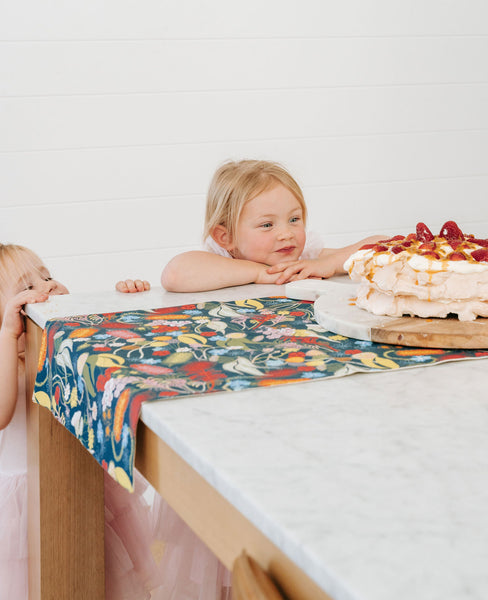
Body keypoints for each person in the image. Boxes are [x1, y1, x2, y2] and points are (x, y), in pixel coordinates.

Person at [0, 243, 230, 599]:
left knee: (102, 574)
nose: (45, 287)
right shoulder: (5, 358)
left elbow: (112, 349)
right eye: (26, 286)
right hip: (25, 508)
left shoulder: (58, 341)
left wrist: (125, 300)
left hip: (77, 482)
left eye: (47, 276)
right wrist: (7, 335)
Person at [161, 159, 385, 292]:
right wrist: (260, 273)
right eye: (267, 224)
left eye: (294, 220)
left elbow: (386, 245)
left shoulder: (303, 258)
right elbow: (174, 275)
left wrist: (328, 264)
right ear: (225, 237)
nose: (286, 234)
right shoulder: (221, 258)